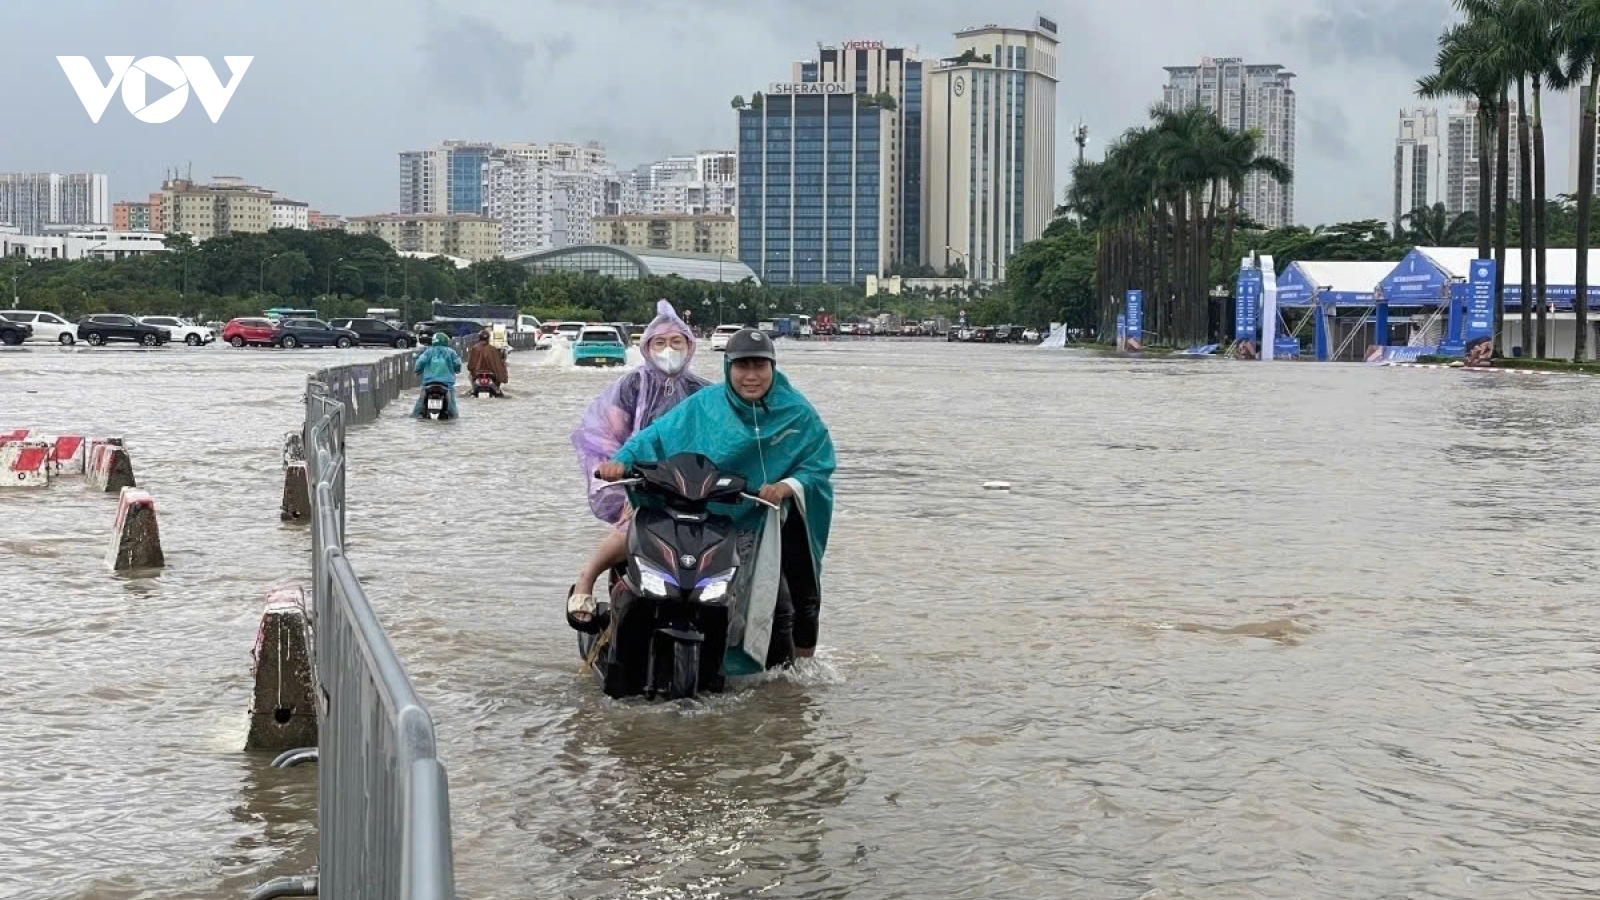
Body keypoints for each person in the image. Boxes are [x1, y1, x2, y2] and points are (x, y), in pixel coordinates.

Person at [594, 328, 835, 669]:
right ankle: (586, 594)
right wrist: (622, 461)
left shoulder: (797, 412)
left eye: (760, 366)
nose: (751, 376)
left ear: (773, 368)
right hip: (710, 513)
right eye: (742, 366)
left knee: (792, 601)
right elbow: (654, 437)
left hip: (771, 517)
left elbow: (820, 464)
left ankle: (795, 683)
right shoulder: (704, 405)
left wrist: (787, 486)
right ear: (727, 367)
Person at [568, 300, 709, 627]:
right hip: (640, 483)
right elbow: (606, 433)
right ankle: (585, 579)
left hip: (694, 485)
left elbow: (723, 437)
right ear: (646, 347)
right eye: (659, 342)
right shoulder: (632, 385)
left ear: (689, 346)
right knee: (633, 528)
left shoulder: (704, 391)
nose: (668, 349)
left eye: (676, 341)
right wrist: (620, 469)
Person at [412, 332, 462, 417]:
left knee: (419, 408)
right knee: (453, 412)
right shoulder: (451, 352)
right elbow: (457, 364)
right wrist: (457, 370)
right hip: (447, 385)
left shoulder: (428, 351)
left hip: (428, 384)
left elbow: (419, 363)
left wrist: (417, 371)